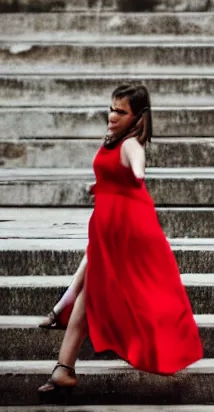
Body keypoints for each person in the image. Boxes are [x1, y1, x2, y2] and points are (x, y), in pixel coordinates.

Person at [37, 84, 203, 394]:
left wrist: (136, 173)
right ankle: (63, 357)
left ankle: (64, 344)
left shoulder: (130, 145)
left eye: (120, 111)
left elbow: (137, 168)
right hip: (108, 223)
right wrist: (98, 186)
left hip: (128, 227)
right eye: (112, 108)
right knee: (92, 284)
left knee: (100, 286)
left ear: (137, 118)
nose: (112, 116)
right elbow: (111, 175)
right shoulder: (113, 141)